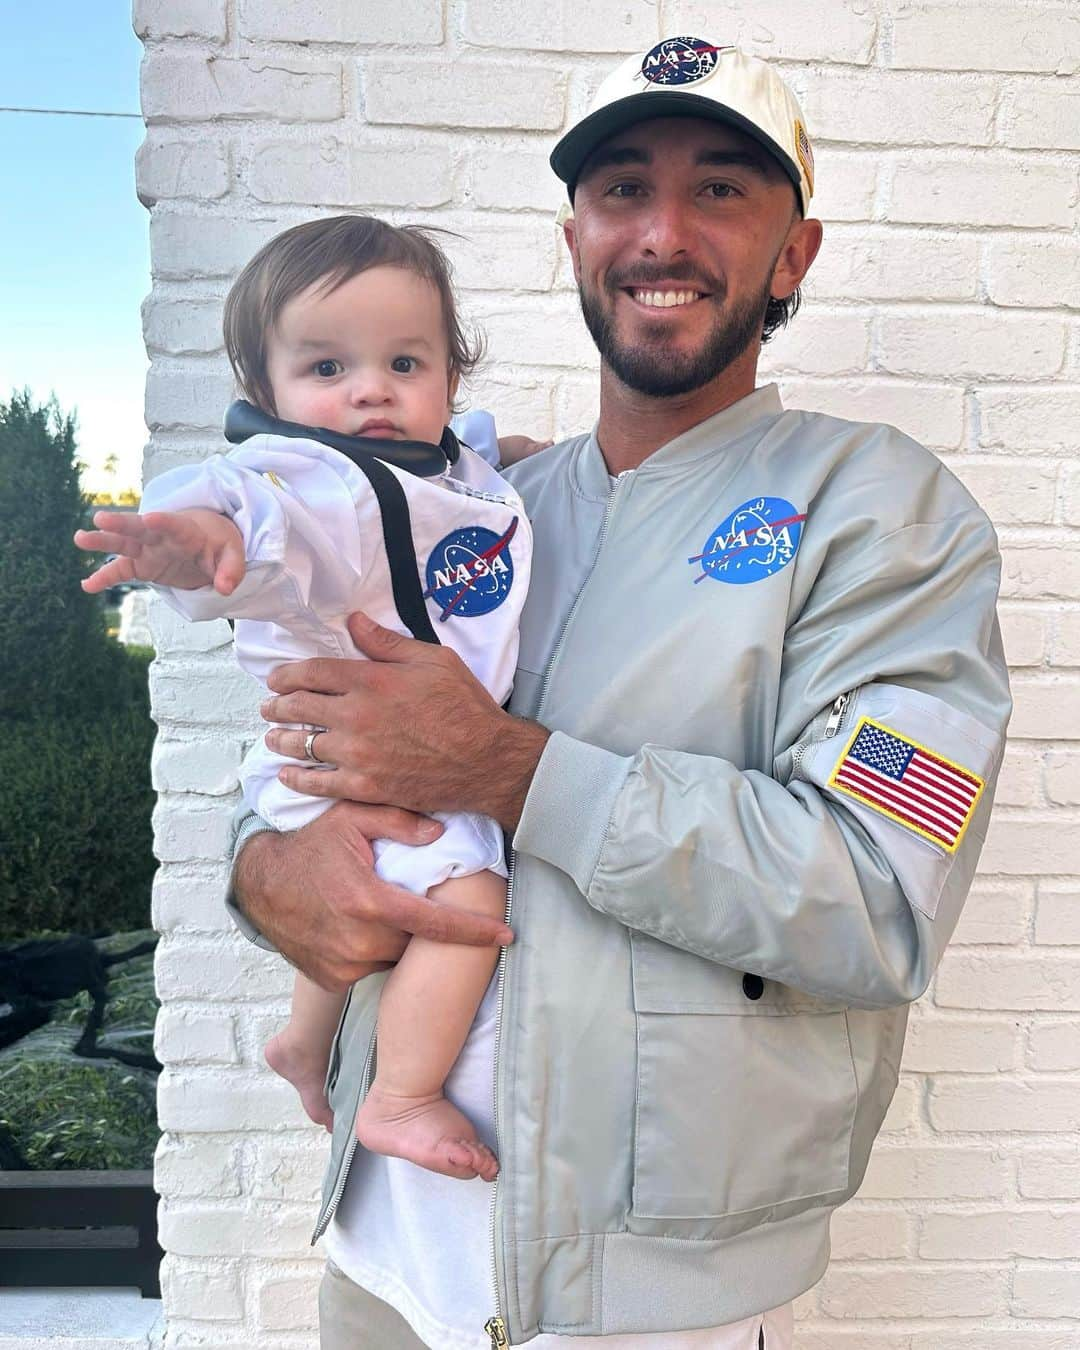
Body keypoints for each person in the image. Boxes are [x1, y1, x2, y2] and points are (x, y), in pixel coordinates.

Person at [226, 39, 1011, 1350]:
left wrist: (510, 770)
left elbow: (873, 895)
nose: (663, 230)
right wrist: (264, 870)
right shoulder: (480, 511)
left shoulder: (886, 516)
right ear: (576, 234)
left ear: (794, 252)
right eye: (619, 187)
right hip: (381, 1252)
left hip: (637, 1304)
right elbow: (309, 723)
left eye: (720, 190)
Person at [75, 214, 548, 1183]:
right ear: (268, 392)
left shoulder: (440, 464)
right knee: (472, 895)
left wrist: (512, 457)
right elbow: (254, 514)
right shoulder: (309, 483)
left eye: (405, 363)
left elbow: (464, 465)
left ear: (448, 380)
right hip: (349, 757)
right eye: (327, 369)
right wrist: (198, 543)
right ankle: (402, 1096)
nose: (372, 389)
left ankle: (302, 1041)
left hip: (345, 767)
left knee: (355, 905)